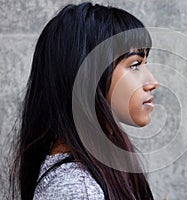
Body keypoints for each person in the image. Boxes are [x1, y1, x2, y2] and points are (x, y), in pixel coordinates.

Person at [10, 2, 158, 200]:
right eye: (134, 65)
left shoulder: (95, 167)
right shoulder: (77, 188)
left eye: (144, 63)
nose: (152, 82)